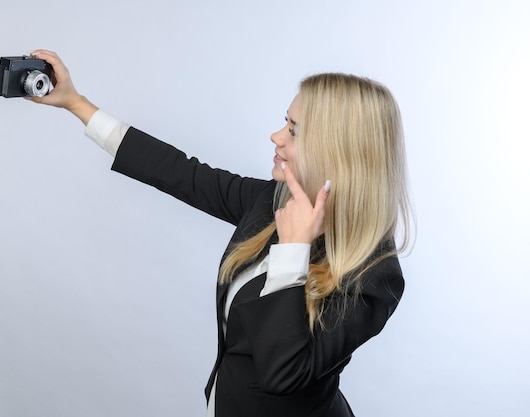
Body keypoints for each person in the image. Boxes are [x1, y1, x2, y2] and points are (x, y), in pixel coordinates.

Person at [28, 49, 411, 417]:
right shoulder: (270, 201)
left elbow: (284, 373)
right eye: (285, 122)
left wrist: (293, 252)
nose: (276, 136)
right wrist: (75, 102)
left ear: (338, 151)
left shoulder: (375, 276)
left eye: (293, 131)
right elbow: (181, 173)